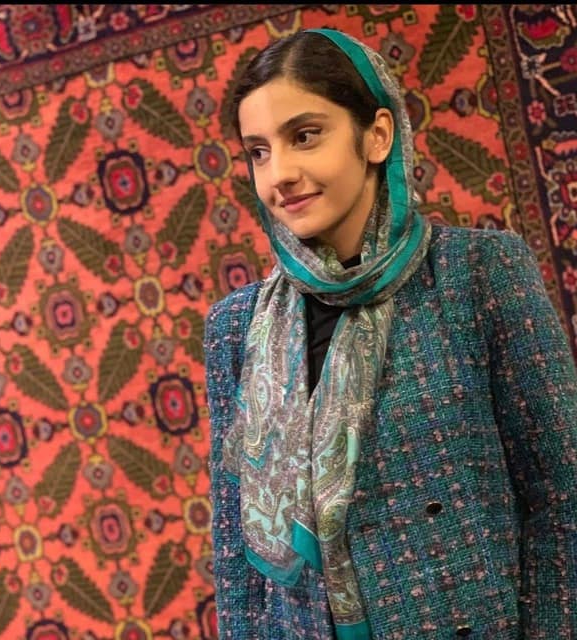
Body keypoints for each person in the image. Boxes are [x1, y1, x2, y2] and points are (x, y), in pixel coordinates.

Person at [203, 27, 577, 640]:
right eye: (259, 151)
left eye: (305, 136)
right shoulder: (235, 327)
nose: (280, 174)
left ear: (377, 135)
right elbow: (233, 546)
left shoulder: (477, 273)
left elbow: (561, 496)